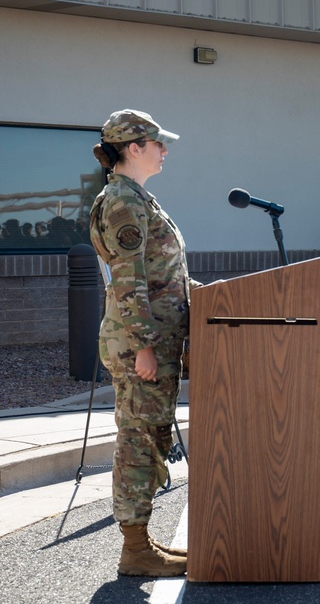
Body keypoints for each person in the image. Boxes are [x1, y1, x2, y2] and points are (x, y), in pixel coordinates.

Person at [89, 109, 196, 576]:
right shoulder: (123, 203)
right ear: (134, 147)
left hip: (152, 341)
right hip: (140, 346)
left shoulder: (136, 198)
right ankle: (134, 549)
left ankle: (142, 540)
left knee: (149, 438)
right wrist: (146, 346)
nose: (164, 150)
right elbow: (127, 282)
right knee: (137, 442)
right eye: (157, 143)